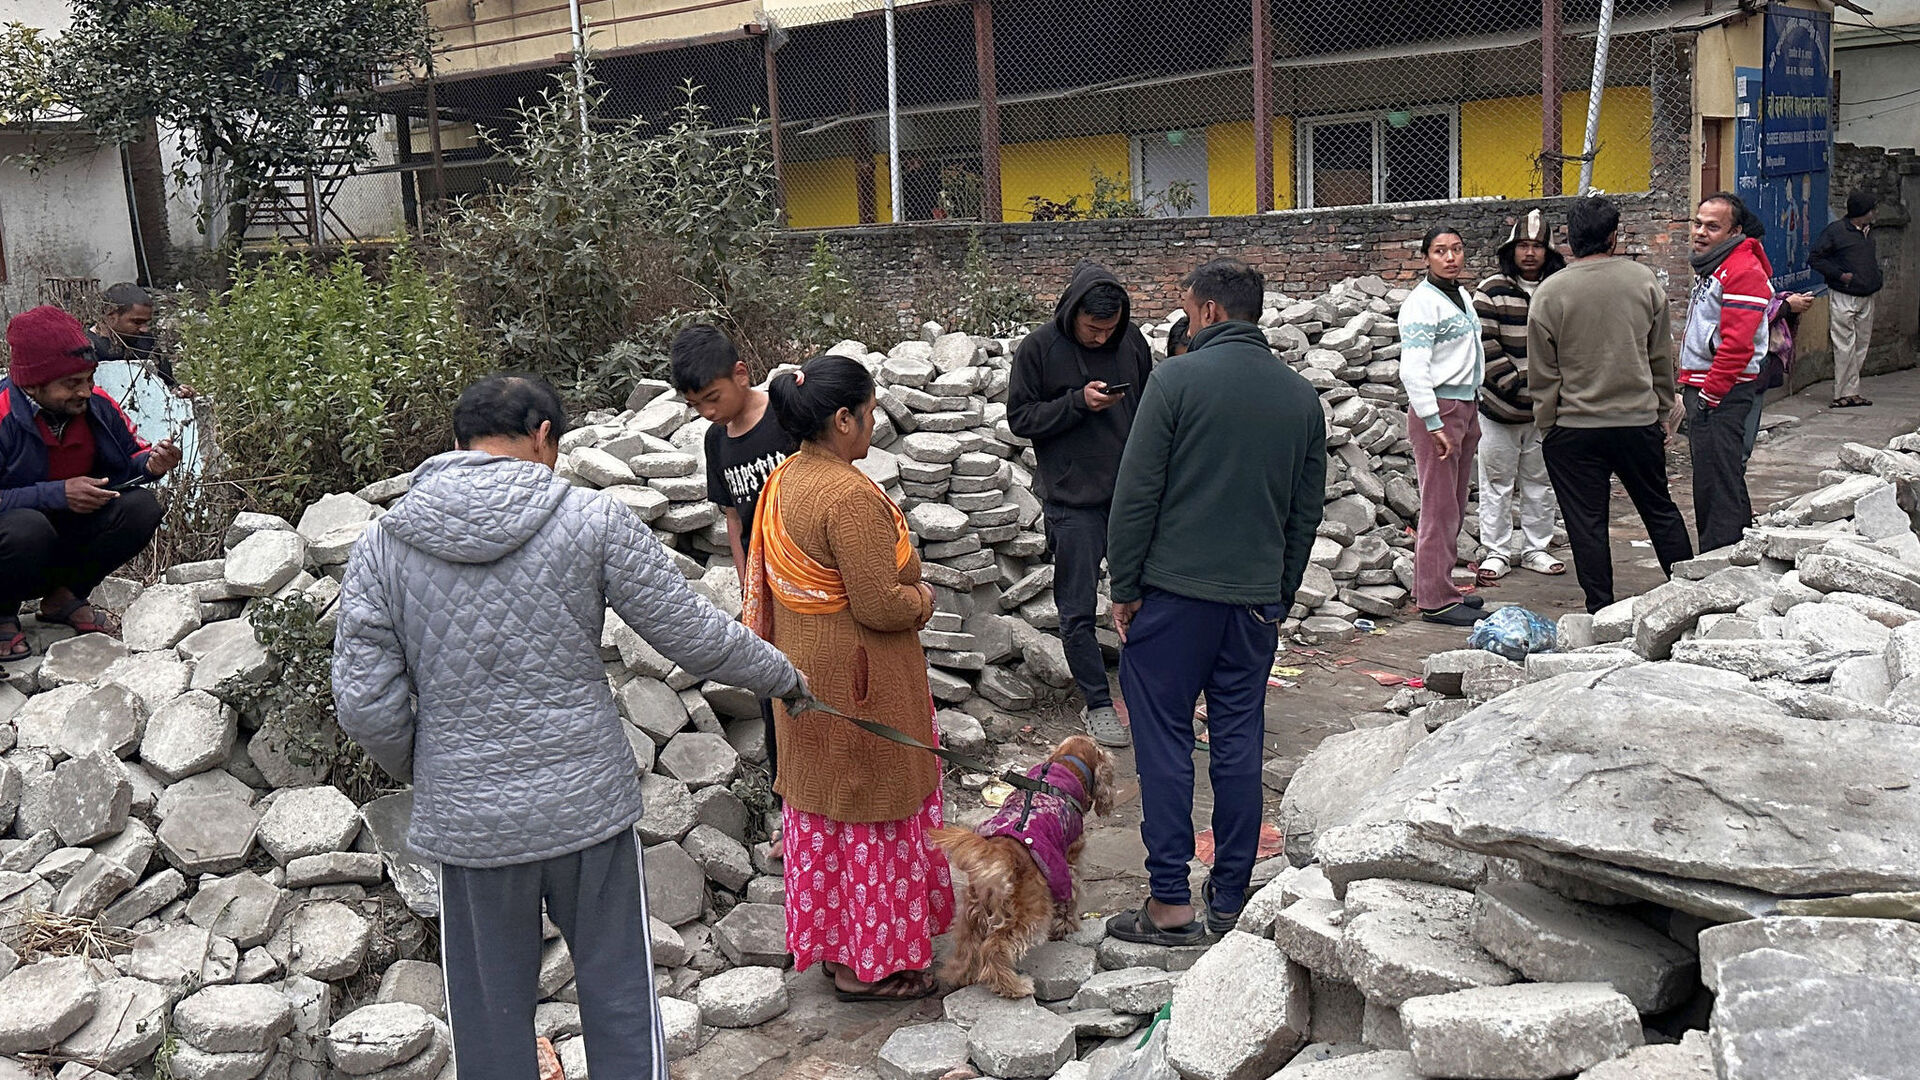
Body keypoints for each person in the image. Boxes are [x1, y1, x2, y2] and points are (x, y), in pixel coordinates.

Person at [331, 374, 805, 1080]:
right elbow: (694, 634)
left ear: (459, 441)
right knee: (619, 993)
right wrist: (785, 678)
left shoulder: (383, 545)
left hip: (473, 826)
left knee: (489, 1017)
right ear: (544, 436)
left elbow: (365, 704)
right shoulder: (591, 519)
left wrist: (434, 767)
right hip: (586, 806)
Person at [1104, 258, 1325, 945]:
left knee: (1165, 741)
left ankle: (1169, 902)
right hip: (1253, 604)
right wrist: (1279, 592)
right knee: (1238, 743)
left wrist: (1126, 587)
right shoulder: (1300, 399)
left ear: (1206, 313)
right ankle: (1230, 899)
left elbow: (1136, 494)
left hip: (1172, 598)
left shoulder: (1174, 380)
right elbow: (1304, 514)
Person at [741, 354, 953, 1002]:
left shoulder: (783, 480)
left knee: (829, 823)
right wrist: (924, 600)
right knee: (874, 819)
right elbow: (879, 603)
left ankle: (839, 955)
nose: (872, 424)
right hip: (860, 692)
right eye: (867, 413)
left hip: (807, 687)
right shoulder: (849, 496)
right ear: (842, 419)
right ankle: (873, 967)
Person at [1007, 262, 1155, 748]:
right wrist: (1076, 403)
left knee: (1149, 598)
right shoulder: (1039, 349)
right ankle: (1097, 703)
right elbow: (1020, 418)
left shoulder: (1131, 341)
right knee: (1076, 610)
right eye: (1092, 329)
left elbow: (1150, 404)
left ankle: (1151, 694)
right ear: (1072, 314)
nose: (1100, 338)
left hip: (1132, 497)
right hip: (1072, 501)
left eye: (1108, 329)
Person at [1528, 196, 1694, 614]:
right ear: (1614, 236)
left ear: (1567, 238)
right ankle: (1690, 598)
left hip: (1573, 428)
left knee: (1587, 524)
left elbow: (1542, 372)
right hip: (1636, 422)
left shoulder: (1550, 292)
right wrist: (1660, 413)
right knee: (1659, 509)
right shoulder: (1642, 281)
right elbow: (1660, 356)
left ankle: (1600, 611)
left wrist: (1548, 424)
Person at [2, 306, 181, 659]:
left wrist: (151, 464)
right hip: (17, 540)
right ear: (33, 384)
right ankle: (2, 612)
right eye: (72, 384)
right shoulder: (4, 413)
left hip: (63, 535)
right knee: (27, 527)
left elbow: (130, 461)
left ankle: (64, 598)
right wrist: (57, 494)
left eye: (89, 379)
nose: (85, 391)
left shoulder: (96, 406)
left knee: (141, 507)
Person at [671, 324, 797, 785]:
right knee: (773, 695)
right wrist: (749, 593)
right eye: (694, 405)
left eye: (712, 397)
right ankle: (788, 802)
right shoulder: (717, 441)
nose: (706, 412)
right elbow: (734, 522)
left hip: (809, 580)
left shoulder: (786, 414)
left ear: (741, 374)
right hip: (763, 589)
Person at [1398, 226, 1487, 626]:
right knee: (1438, 506)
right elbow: (1413, 368)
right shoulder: (1421, 304)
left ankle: (1438, 586)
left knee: (1453, 501)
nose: (1450, 257)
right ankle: (1435, 601)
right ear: (1425, 257)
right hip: (1440, 409)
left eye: (1456, 249)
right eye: (1440, 251)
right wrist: (1433, 421)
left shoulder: (1461, 295)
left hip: (1465, 404)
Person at [1472, 210, 1567, 580]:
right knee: (1496, 483)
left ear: (1548, 251)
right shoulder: (1491, 289)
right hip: (1498, 407)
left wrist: (1552, 392)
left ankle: (1535, 549)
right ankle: (1495, 551)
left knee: (1540, 483)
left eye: (1537, 246)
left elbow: (1569, 343)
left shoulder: (1559, 288)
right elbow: (1484, 343)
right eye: (1523, 246)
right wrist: (1516, 385)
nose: (1529, 253)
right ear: (1511, 250)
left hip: (1545, 410)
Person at [1678, 192, 1774, 553]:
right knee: (1720, 477)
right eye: (1698, 224)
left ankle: (1718, 560)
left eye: (1712, 227)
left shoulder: (1741, 270)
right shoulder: (1714, 266)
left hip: (1721, 393)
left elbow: (1737, 345)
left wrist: (1710, 395)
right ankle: (1735, 553)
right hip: (1707, 389)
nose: (1700, 233)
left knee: (1716, 484)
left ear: (1734, 231)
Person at [1810, 189, 1882, 409]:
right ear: (1863, 212)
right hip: (1844, 294)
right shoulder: (1836, 232)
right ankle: (1842, 394)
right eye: (1871, 209)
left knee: (1861, 344)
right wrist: (1841, 276)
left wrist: (1876, 277)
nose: (1874, 213)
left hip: (1866, 295)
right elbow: (1816, 258)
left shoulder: (1868, 232)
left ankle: (1852, 391)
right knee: (1844, 345)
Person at [1744, 290, 1814, 462]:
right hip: (1739, 370)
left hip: (1751, 368)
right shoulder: (1737, 276)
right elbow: (1751, 318)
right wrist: (1785, 306)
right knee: (1738, 447)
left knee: (1742, 447)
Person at [86, 283, 191, 395]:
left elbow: (167, 384)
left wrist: (179, 392)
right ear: (110, 316)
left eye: (146, 322)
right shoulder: (87, 348)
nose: (144, 329)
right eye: (137, 322)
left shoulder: (147, 343)